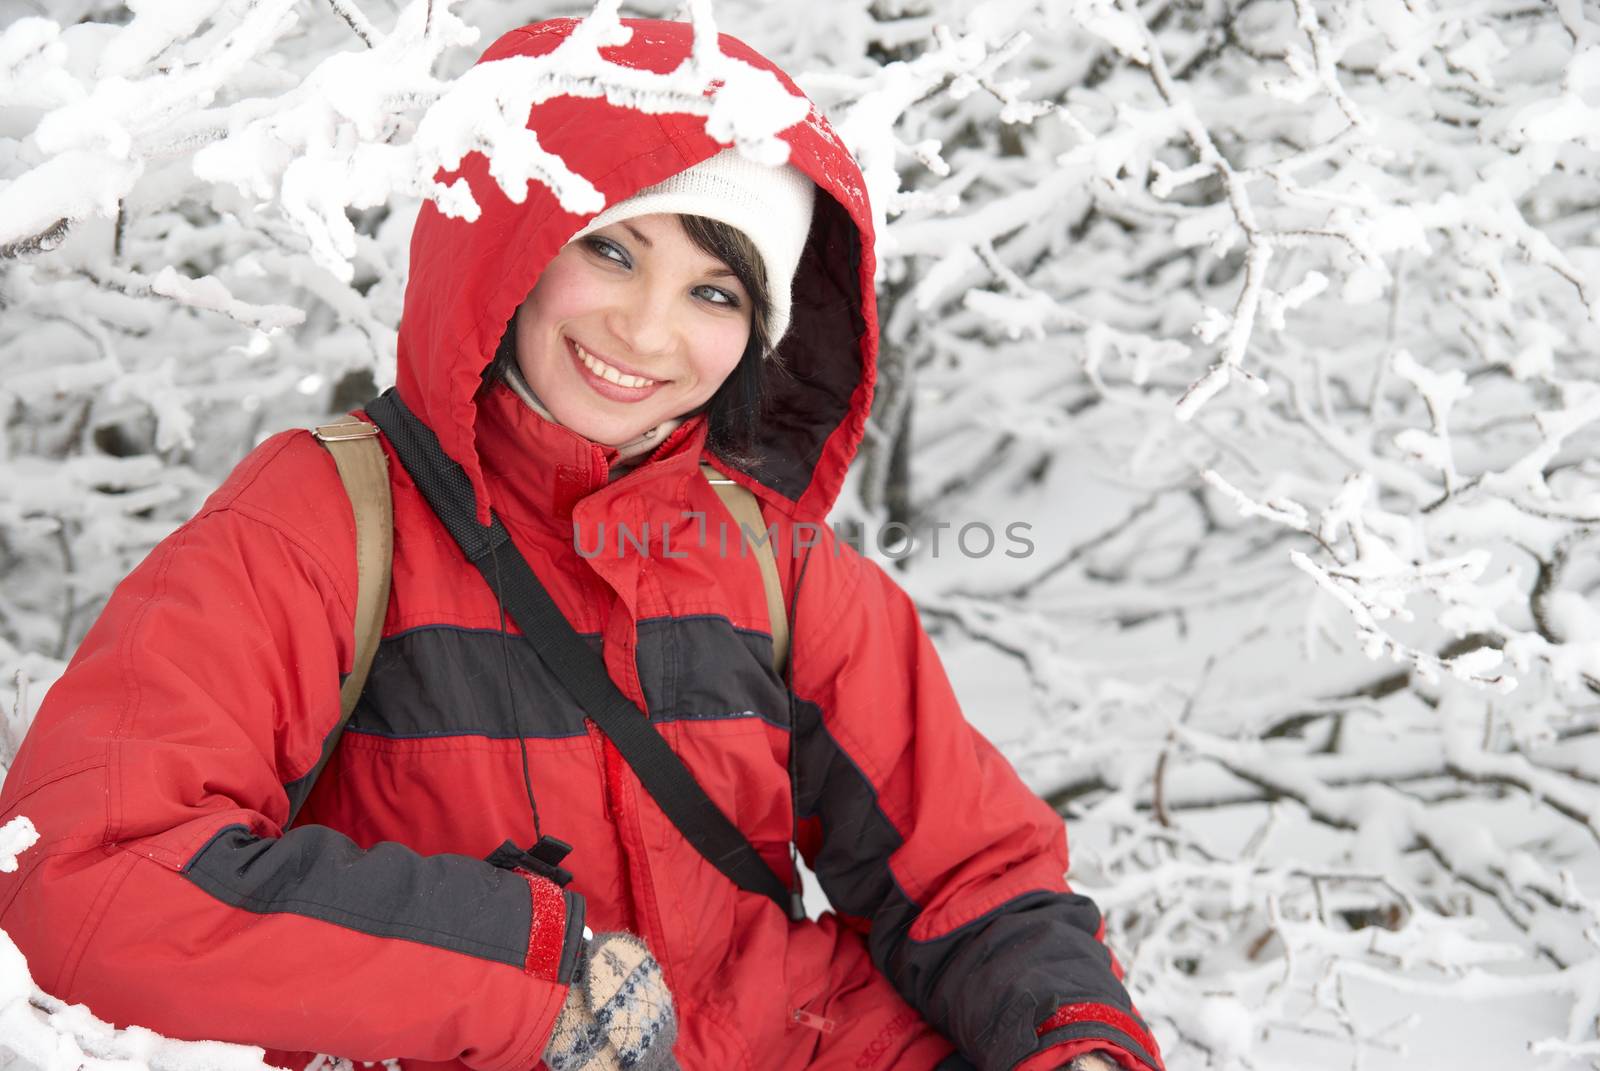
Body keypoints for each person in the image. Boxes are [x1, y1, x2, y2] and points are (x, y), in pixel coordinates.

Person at [0, 17, 1163, 1071]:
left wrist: (1075, 1043)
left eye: (716, 293)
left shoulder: (775, 566)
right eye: (611, 250)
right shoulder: (324, 519)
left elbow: (968, 878)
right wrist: (528, 977)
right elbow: (90, 875)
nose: (647, 330)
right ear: (513, 240)